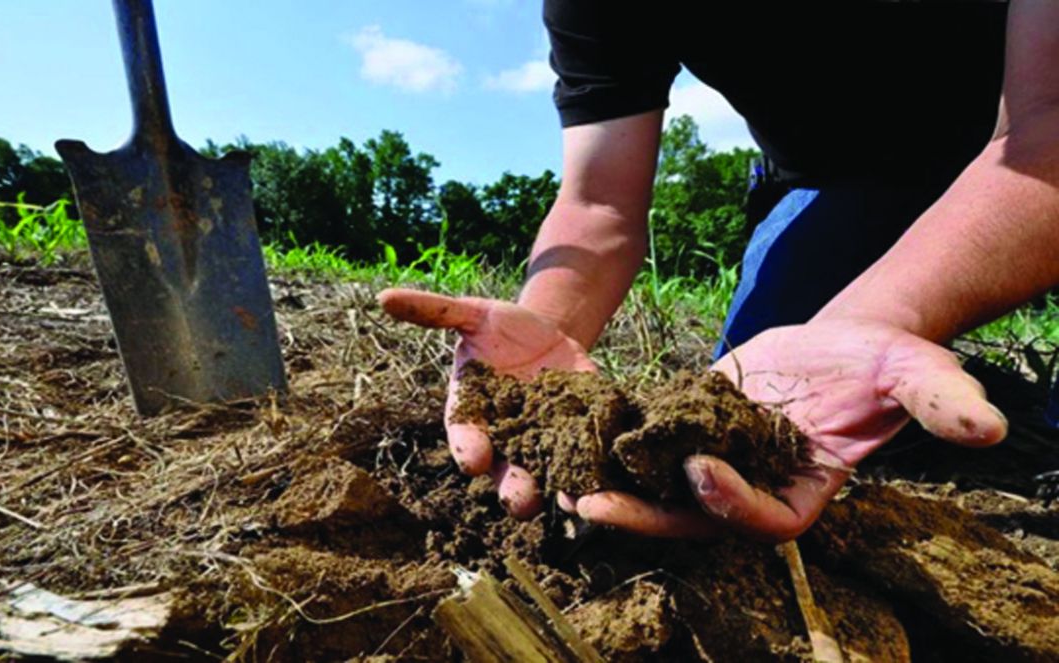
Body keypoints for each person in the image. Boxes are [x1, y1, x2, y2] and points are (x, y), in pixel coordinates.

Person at [379, 1, 1059, 542]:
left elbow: (1047, 126)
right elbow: (599, 201)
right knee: (760, 407)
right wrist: (542, 350)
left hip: (1034, 137)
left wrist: (885, 314)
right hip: (842, 180)